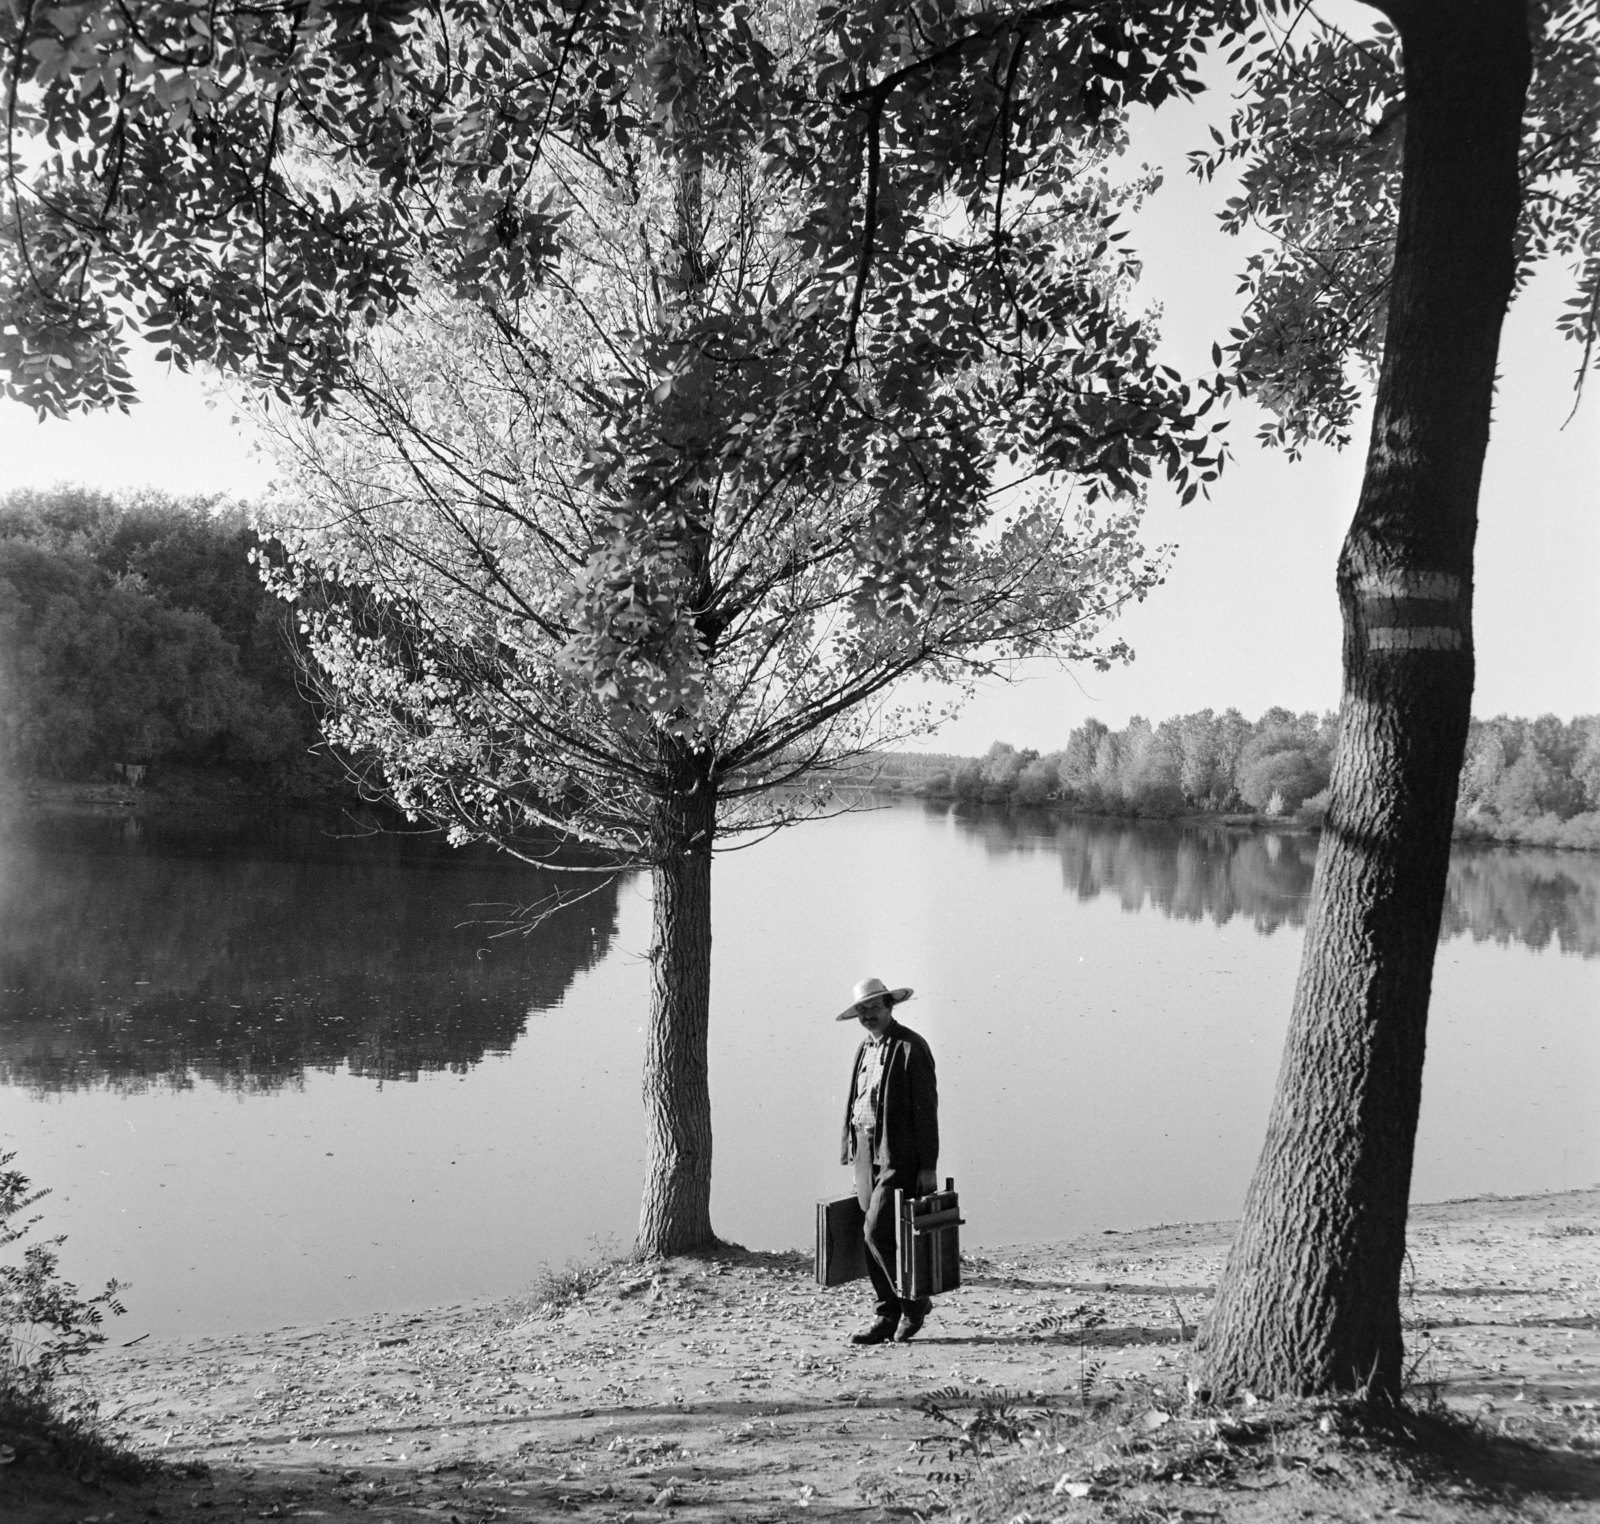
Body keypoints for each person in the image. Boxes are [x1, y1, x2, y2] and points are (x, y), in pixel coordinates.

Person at [837, 976, 938, 1344]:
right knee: (871, 1235)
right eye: (862, 1011)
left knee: (875, 1229)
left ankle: (914, 1303)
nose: (868, 1016)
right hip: (866, 1154)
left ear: (889, 1007)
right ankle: (886, 1313)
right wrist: (850, 1151)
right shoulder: (865, 1049)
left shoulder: (912, 1047)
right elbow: (855, 1103)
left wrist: (928, 1166)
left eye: (874, 1008)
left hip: (900, 1155)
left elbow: (927, 1112)